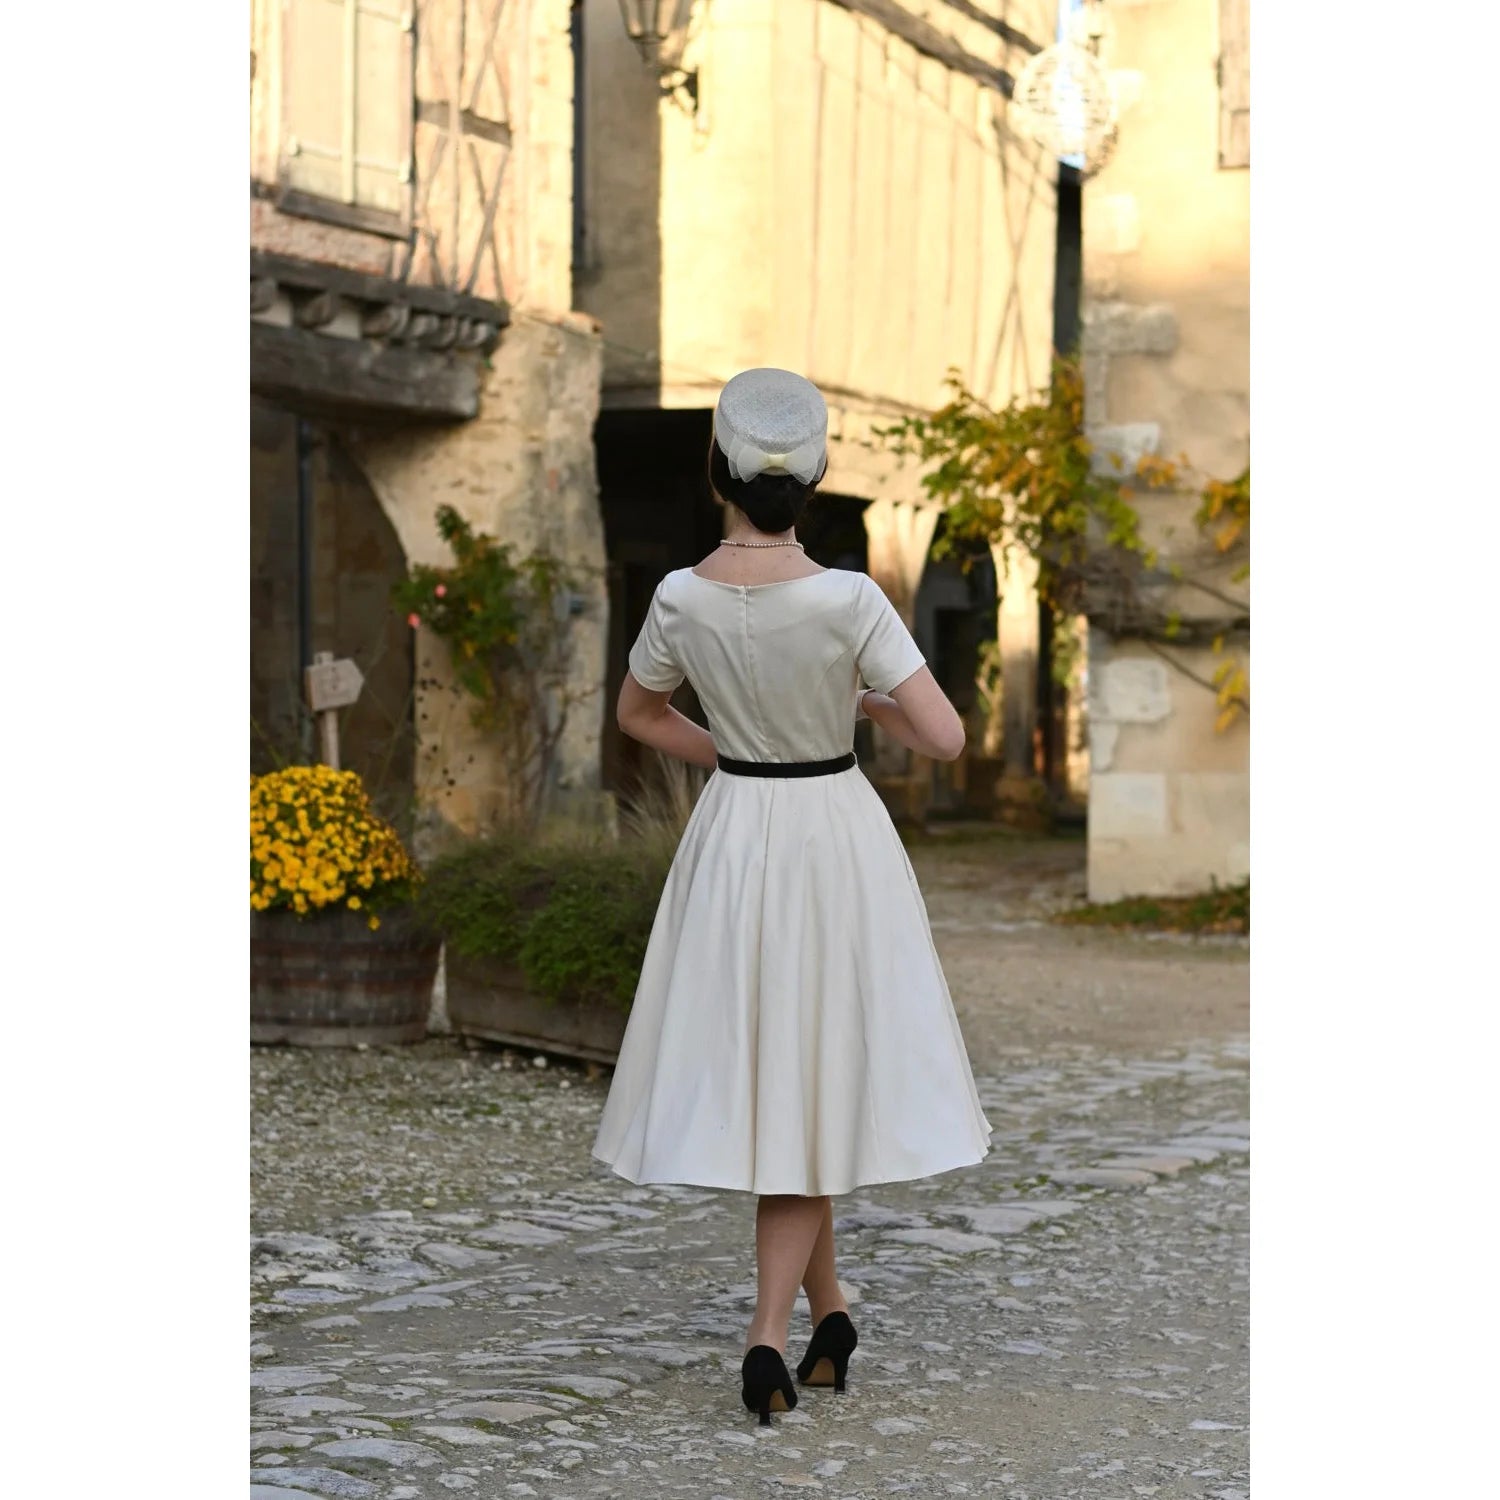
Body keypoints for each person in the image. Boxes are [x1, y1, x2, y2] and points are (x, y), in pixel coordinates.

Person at [590, 367, 993, 1425]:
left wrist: (732, 746)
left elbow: (638, 715)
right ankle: (768, 1340)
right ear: (813, 479)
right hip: (832, 833)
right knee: (806, 1084)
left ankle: (833, 1313)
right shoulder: (851, 599)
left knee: (776, 1067)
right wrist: (856, 704)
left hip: (735, 831)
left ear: (717, 471)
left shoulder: (680, 595)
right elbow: (945, 735)